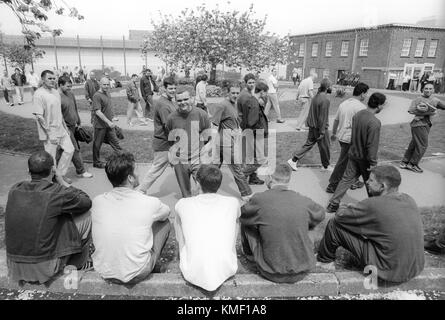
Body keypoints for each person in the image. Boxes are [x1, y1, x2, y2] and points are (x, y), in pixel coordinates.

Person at [317, 165, 425, 283]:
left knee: (334, 225)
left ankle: (324, 262)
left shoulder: (373, 205)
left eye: (371, 180)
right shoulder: (408, 199)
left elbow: (340, 217)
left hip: (387, 271)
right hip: (415, 267)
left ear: (382, 186)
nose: (366, 182)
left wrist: (344, 206)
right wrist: (358, 210)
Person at [5, 151, 93, 284]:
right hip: (44, 268)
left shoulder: (15, 189)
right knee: (86, 215)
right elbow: (86, 201)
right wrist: (61, 181)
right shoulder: (57, 192)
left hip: (14, 265)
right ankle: (78, 264)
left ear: (28, 170)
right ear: (53, 170)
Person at [92, 152, 171, 284]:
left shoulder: (98, 201)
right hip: (138, 271)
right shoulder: (149, 202)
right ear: (130, 178)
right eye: (137, 171)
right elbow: (166, 212)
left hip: (103, 270)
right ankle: (151, 263)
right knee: (165, 223)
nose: (140, 174)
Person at [240, 164, 325, 283]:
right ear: (288, 180)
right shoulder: (302, 199)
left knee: (246, 222)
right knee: (312, 223)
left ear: (269, 177)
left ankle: (250, 256)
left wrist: (251, 202)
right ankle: (305, 250)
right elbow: (321, 214)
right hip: (302, 271)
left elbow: (242, 214)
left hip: (270, 271)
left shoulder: (260, 199)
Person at [174, 165, 239, 291]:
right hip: (227, 268)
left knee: (179, 220)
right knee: (236, 221)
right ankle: (227, 251)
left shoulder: (183, 204)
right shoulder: (233, 203)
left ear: (197, 183)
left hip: (191, 271)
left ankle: (185, 253)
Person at [326, 93, 387, 213]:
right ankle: (376, 208)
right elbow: (372, 145)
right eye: (383, 105)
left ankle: (333, 204)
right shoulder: (374, 122)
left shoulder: (358, 115)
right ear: (379, 106)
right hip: (365, 158)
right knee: (372, 182)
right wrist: (373, 163)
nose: (383, 107)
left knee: (346, 179)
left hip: (353, 153)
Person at [165, 88, 211, 198]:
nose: (182, 102)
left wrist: (206, 150)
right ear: (176, 101)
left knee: (204, 190)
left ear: (192, 98)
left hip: (197, 159)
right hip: (180, 161)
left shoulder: (201, 114)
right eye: (179, 100)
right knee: (186, 194)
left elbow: (209, 136)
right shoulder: (171, 118)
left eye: (185, 99)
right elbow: (169, 140)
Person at [211, 82, 252, 200]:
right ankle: (246, 194)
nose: (235, 95)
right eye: (232, 92)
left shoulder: (234, 104)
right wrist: (211, 143)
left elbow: (233, 121)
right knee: (237, 169)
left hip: (229, 141)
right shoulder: (222, 105)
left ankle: (203, 188)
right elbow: (214, 125)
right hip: (225, 143)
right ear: (227, 92)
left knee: (213, 169)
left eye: (237, 93)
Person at [32, 70, 74, 187]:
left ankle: (59, 174)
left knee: (70, 149)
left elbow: (58, 112)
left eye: (53, 78)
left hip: (61, 128)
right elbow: (39, 116)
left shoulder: (55, 92)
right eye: (49, 78)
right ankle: (55, 180)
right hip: (49, 130)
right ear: (43, 79)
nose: (52, 80)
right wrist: (49, 134)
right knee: (51, 158)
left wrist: (65, 127)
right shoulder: (38, 94)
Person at [325, 82, 369, 193]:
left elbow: (336, 120)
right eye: (366, 93)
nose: (366, 96)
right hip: (351, 139)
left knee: (352, 161)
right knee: (344, 161)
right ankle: (333, 184)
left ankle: (353, 181)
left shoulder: (343, 104)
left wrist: (334, 133)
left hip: (342, 137)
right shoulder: (361, 107)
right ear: (362, 93)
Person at [138, 77, 177, 194]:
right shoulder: (163, 104)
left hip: (171, 142)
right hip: (164, 143)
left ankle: (192, 191)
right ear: (164, 88)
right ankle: (140, 190)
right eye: (170, 88)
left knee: (184, 167)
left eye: (175, 88)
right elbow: (169, 126)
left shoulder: (170, 101)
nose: (173, 90)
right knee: (156, 169)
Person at [288, 78, 332, 172]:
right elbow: (322, 117)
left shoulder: (316, 97)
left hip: (312, 126)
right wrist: (322, 131)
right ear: (327, 87)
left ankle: (293, 160)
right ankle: (326, 167)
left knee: (308, 144)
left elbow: (312, 112)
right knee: (325, 147)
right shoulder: (325, 99)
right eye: (331, 86)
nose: (331, 88)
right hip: (319, 128)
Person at [400, 83, 445, 173]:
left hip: (427, 125)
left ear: (433, 90)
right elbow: (411, 110)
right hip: (418, 124)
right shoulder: (418, 99)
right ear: (423, 89)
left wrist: (436, 109)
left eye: (430, 89)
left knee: (414, 143)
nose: (428, 90)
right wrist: (427, 112)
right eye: (426, 88)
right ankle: (413, 164)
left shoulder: (435, 100)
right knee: (422, 145)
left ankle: (405, 162)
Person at [57, 76, 93, 179]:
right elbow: (58, 115)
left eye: (71, 86)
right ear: (60, 85)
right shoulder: (57, 97)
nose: (70, 88)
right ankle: (80, 171)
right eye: (68, 86)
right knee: (74, 149)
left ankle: (53, 171)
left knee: (61, 151)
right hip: (65, 128)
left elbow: (74, 108)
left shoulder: (71, 94)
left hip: (74, 126)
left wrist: (78, 121)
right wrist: (65, 129)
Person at [239, 81, 269, 185]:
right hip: (255, 134)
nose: (266, 94)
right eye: (265, 92)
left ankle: (253, 178)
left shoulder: (250, 100)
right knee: (261, 159)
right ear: (261, 92)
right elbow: (252, 121)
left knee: (252, 158)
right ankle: (242, 175)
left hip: (249, 133)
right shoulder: (255, 104)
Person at [91, 77, 123, 169]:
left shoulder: (107, 93)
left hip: (109, 124)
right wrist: (108, 122)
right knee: (97, 144)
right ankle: (96, 162)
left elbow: (108, 107)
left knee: (115, 142)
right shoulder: (97, 95)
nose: (106, 86)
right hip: (100, 125)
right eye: (104, 84)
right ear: (100, 84)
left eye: (107, 84)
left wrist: (113, 117)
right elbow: (97, 111)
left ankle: (124, 159)